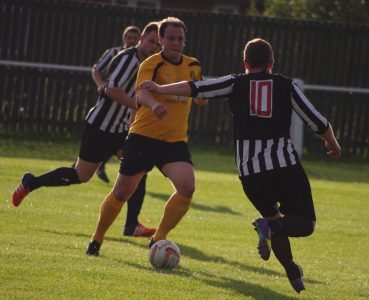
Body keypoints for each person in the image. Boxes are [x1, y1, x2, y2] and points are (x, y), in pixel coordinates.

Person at [137, 38, 341, 293]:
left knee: (273, 217)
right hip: (284, 167)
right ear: (271, 62)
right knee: (304, 224)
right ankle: (271, 230)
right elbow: (317, 121)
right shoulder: (287, 86)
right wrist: (331, 142)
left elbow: (197, 88)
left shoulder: (234, 83)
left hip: (250, 173)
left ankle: (291, 270)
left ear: (245, 63)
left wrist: (159, 88)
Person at [11, 22, 161, 237]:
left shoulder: (147, 63)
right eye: (151, 41)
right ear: (142, 39)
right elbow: (111, 90)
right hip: (100, 126)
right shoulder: (128, 59)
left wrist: (132, 115)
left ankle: (131, 225)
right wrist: (137, 106)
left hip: (118, 128)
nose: (153, 46)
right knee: (80, 176)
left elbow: (133, 93)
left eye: (157, 43)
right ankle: (31, 182)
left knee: (139, 169)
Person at [86, 16, 207, 256]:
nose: (176, 43)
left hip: (174, 141)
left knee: (187, 188)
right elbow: (141, 93)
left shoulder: (193, 65)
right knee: (122, 193)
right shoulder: (151, 63)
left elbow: (199, 95)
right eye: (171, 38)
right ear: (161, 39)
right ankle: (96, 239)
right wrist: (154, 105)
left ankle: (158, 238)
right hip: (143, 137)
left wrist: (203, 95)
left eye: (180, 39)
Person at [91, 25, 141, 183]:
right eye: (129, 37)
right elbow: (96, 69)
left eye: (135, 38)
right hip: (109, 104)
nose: (132, 41)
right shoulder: (114, 53)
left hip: (127, 108)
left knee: (120, 144)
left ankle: (97, 165)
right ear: (123, 38)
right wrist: (100, 85)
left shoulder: (141, 59)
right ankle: (92, 164)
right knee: (108, 138)